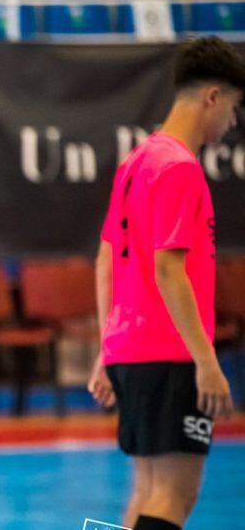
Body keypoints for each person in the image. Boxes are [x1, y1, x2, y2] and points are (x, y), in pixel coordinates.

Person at [88, 37, 242, 530]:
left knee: (147, 492)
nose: (233, 123)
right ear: (212, 97)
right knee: (174, 497)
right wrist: (206, 359)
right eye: (236, 109)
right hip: (170, 354)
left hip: (131, 351)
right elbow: (168, 269)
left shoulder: (136, 162)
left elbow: (106, 259)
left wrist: (106, 346)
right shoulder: (179, 168)